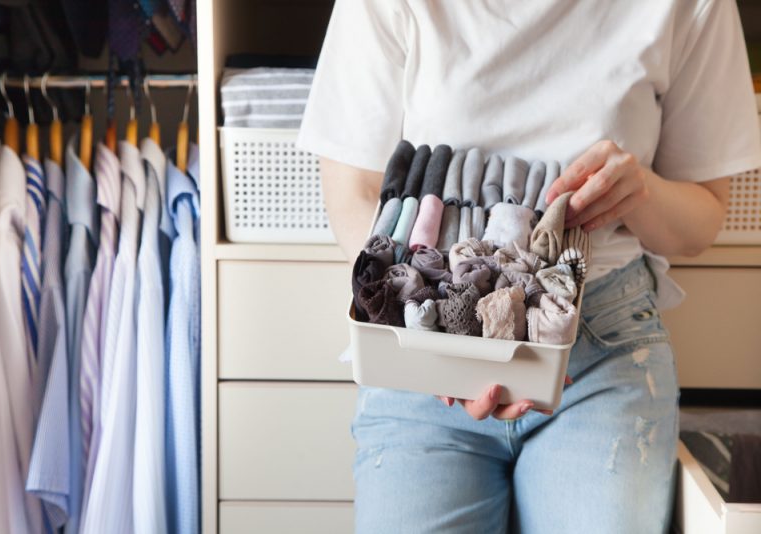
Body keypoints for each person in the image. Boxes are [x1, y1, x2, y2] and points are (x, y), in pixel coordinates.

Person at [297, 1, 761, 532]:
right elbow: (352, 197)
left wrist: (640, 191)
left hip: (600, 352)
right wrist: (452, 348)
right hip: (421, 349)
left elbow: (701, 220)